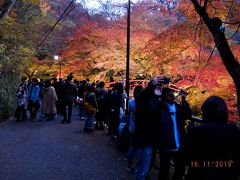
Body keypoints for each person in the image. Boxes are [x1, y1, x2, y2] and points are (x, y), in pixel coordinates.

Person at [185, 96, 240, 180]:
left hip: (199, 174)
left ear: (205, 111)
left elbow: (186, 159)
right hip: (227, 175)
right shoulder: (234, 131)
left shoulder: (195, 132)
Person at [150, 87, 192, 180]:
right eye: (168, 94)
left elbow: (188, 114)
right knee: (164, 171)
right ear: (163, 96)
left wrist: (184, 99)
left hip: (179, 145)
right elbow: (152, 109)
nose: (171, 95)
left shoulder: (178, 107)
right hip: (165, 146)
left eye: (172, 93)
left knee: (180, 170)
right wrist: (156, 95)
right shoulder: (160, 107)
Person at [126, 85, 144, 172]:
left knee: (132, 147)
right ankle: (138, 167)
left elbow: (129, 112)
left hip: (132, 127)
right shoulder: (145, 103)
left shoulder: (131, 102)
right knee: (140, 149)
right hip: (142, 129)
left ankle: (129, 165)